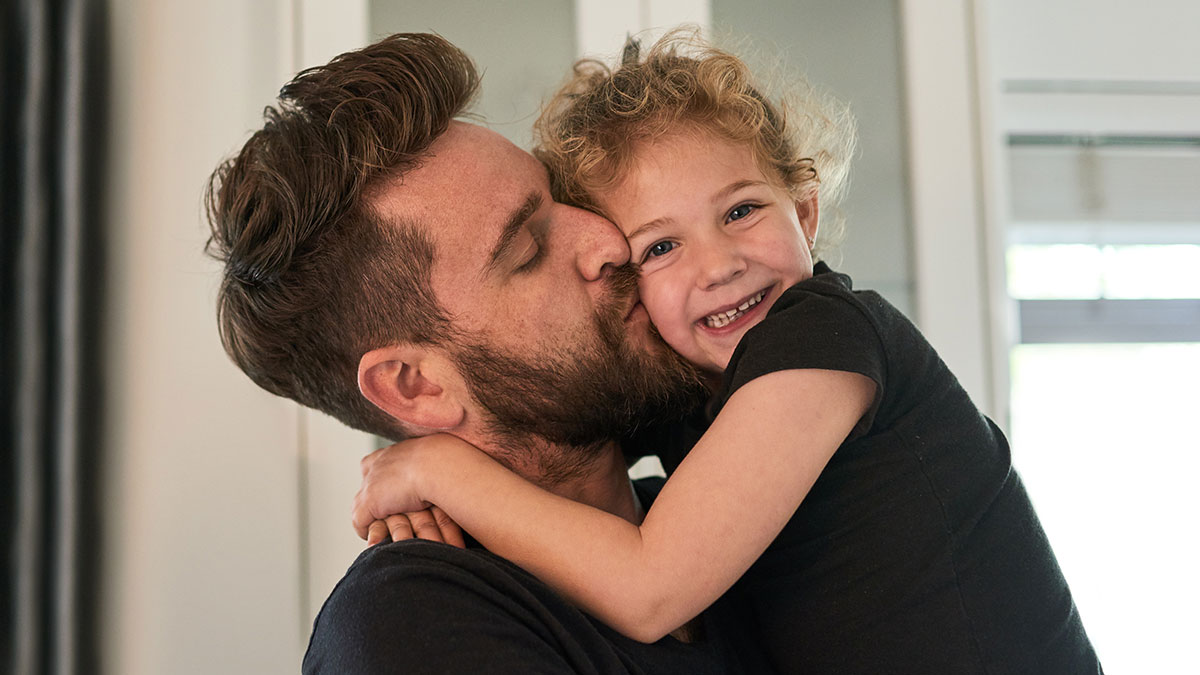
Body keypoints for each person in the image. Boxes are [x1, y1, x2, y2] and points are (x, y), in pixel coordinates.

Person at [352, 34, 1103, 673]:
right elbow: (543, 433)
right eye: (661, 247)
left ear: (804, 211)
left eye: (741, 210)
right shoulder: (693, 390)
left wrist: (435, 470)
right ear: (628, 278)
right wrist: (423, 478)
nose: (717, 265)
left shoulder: (825, 337)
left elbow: (650, 587)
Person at [205, 32, 775, 673]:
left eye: (564, 199)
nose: (610, 242)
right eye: (527, 251)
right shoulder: (415, 626)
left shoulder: (733, 518)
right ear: (416, 386)